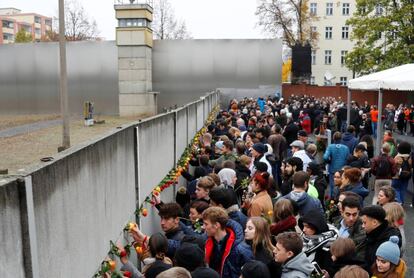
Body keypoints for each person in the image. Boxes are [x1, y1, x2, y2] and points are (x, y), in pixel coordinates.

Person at [202, 207, 253, 278]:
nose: (203, 227)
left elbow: (250, 273)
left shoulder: (241, 249)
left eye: (206, 224)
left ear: (217, 225)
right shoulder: (205, 242)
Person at [360, 205, 401, 271]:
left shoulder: (388, 240)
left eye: (364, 223)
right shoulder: (373, 233)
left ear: (374, 222)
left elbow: (377, 266)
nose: (362, 226)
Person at [334, 196, 366, 261]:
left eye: (354, 215)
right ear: (342, 212)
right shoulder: (335, 222)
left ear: (358, 212)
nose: (351, 218)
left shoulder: (362, 230)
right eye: (348, 214)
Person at [324, 131, 350, 197]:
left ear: (333, 138)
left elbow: (325, 157)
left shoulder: (330, 147)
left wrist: (329, 161)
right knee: (343, 187)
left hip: (333, 170)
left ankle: (331, 203)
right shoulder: (346, 148)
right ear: (341, 139)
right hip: (342, 171)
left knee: (332, 188)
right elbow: (348, 159)